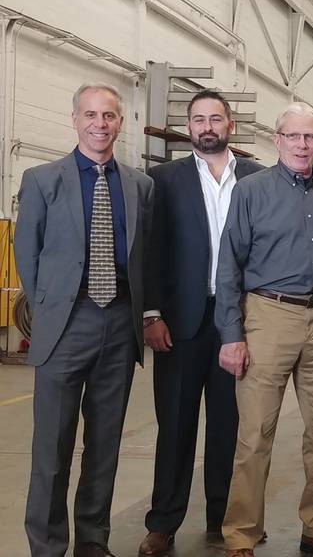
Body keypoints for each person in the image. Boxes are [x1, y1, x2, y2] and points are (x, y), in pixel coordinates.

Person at [215, 102, 313, 557]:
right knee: (256, 432)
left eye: (310, 138)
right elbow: (228, 265)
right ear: (277, 140)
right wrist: (231, 333)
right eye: (293, 137)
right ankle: (241, 534)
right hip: (267, 316)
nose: (302, 145)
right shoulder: (251, 191)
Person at [15, 83, 153, 557]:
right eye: (90, 114)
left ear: (120, 122)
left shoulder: (140, 185)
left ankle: (93, 541)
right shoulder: (41, 179)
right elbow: (26, 254)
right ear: (74, 119)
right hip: (65, 326)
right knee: (51, 450)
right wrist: (52, 311)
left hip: (119, 325)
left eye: (109, 115)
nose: (100, 123)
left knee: (104, 446)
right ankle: (48, 546)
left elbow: (143, 257)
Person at [138, 90, 264, 556]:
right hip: (180, 320)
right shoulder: (163, 180)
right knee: (175, 424)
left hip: (239, 319)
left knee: (231, 425)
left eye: (215, 118)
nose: (207, 126)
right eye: (198, 120)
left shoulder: (257, 177)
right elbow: (149, 250)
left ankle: (223, 518)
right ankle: (163, 522)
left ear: (230, 125)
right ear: (188, 127)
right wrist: (151, 311)